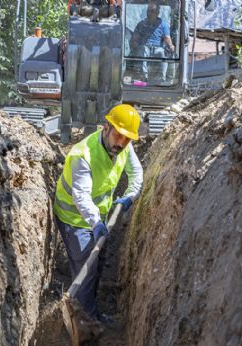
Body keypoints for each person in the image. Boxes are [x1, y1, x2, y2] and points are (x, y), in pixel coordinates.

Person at [53, 104, 143, 323]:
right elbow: (81, 197)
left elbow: (136, 174)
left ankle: (89, 312)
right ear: (106, 128)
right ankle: (84, 323)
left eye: (126, 139)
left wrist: (129, 196)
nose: (121, 143)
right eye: (118, 136)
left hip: (97, 218)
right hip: (74, 217)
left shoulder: (125, 147)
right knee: (86, 266)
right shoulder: (82, 154)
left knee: (98, 263)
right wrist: (95, 223)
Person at [130, 3, 175, 81]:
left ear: (157, 13)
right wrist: (135, 44)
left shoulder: (163, 25)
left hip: (157, 48)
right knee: (143, 50)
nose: (149, 13)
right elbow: (134, 39)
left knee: (162, 53)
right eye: (148, 11)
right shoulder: (141, 24)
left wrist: (170, 45)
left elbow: (167, 38)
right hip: (145, 47)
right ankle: (143, 76)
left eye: (152, 11)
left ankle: (162, 79)